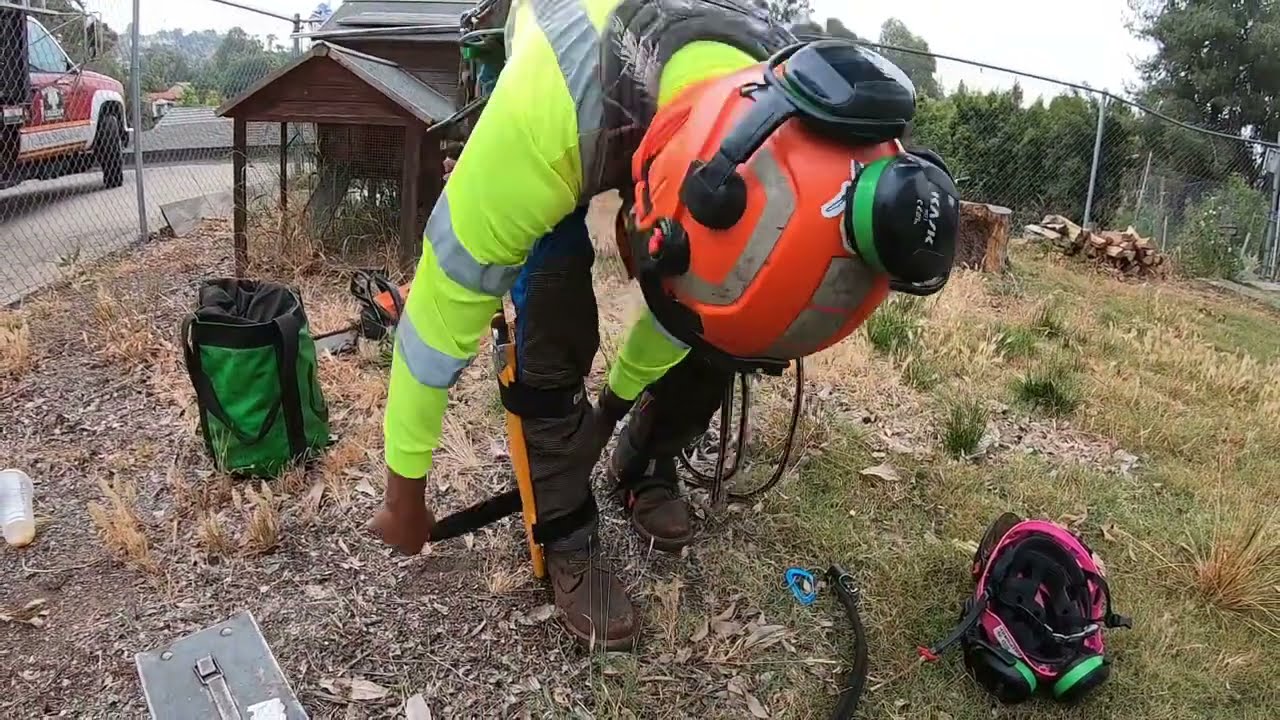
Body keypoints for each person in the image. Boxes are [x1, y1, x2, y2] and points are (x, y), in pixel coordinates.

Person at [371, 0, 961, 650]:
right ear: (649, 204)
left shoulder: (802, 96)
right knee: (553, 289)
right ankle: (564, 523)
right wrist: (406, 494)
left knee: (723, 337)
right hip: (571, 75)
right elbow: (429, 329)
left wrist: (612, 414)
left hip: (661, 121)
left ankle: (644, 459)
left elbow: (696, 314)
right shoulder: (539, 130)